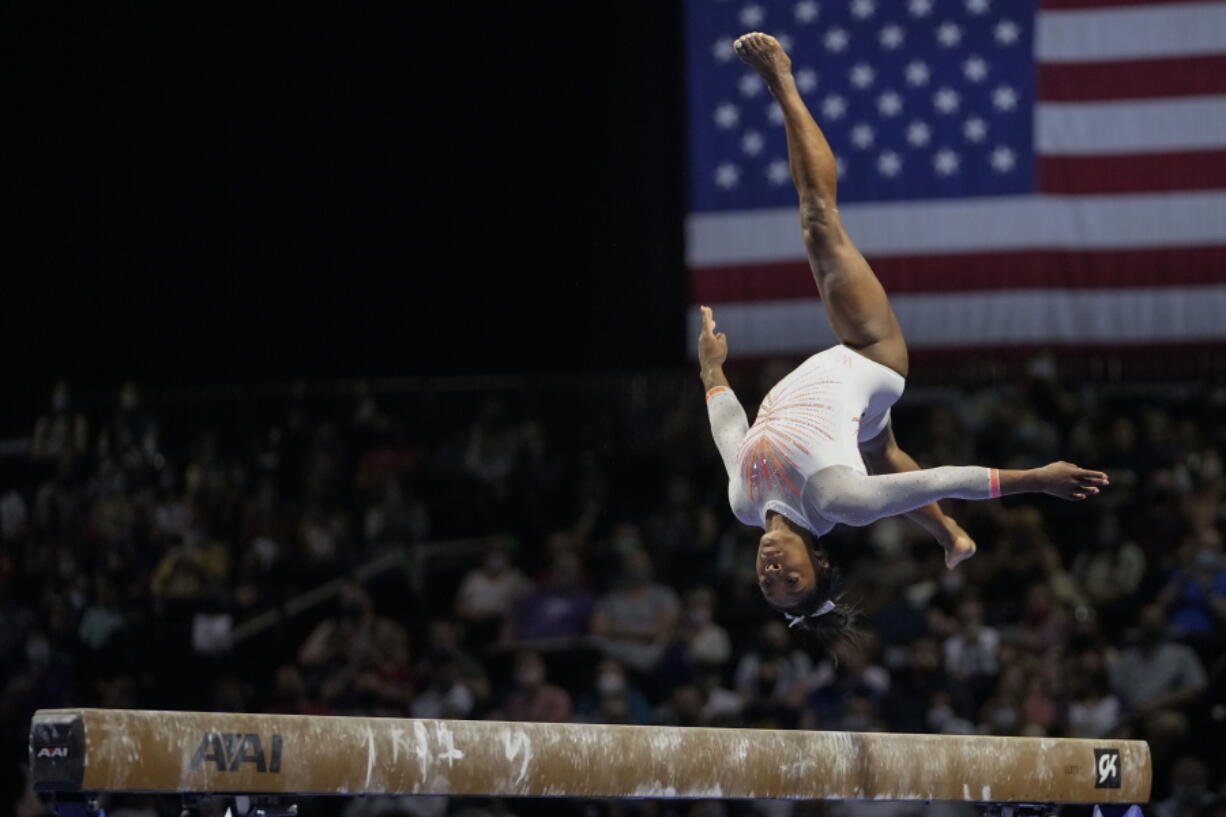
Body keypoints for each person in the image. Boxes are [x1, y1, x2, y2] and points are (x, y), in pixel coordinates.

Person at [699, 33, 1109, 642]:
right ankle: (783, 80)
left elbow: (732, 434)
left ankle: (951, 536)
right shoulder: (840, 501)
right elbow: (945, 477)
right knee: (818, 221)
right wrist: (1036, 480)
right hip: (869, 354)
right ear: (820, 561)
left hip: (855, 413)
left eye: (770, 586)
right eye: (792, 580)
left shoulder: (742, 501)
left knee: (882, 448)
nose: (774, 574)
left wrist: (712, 371)